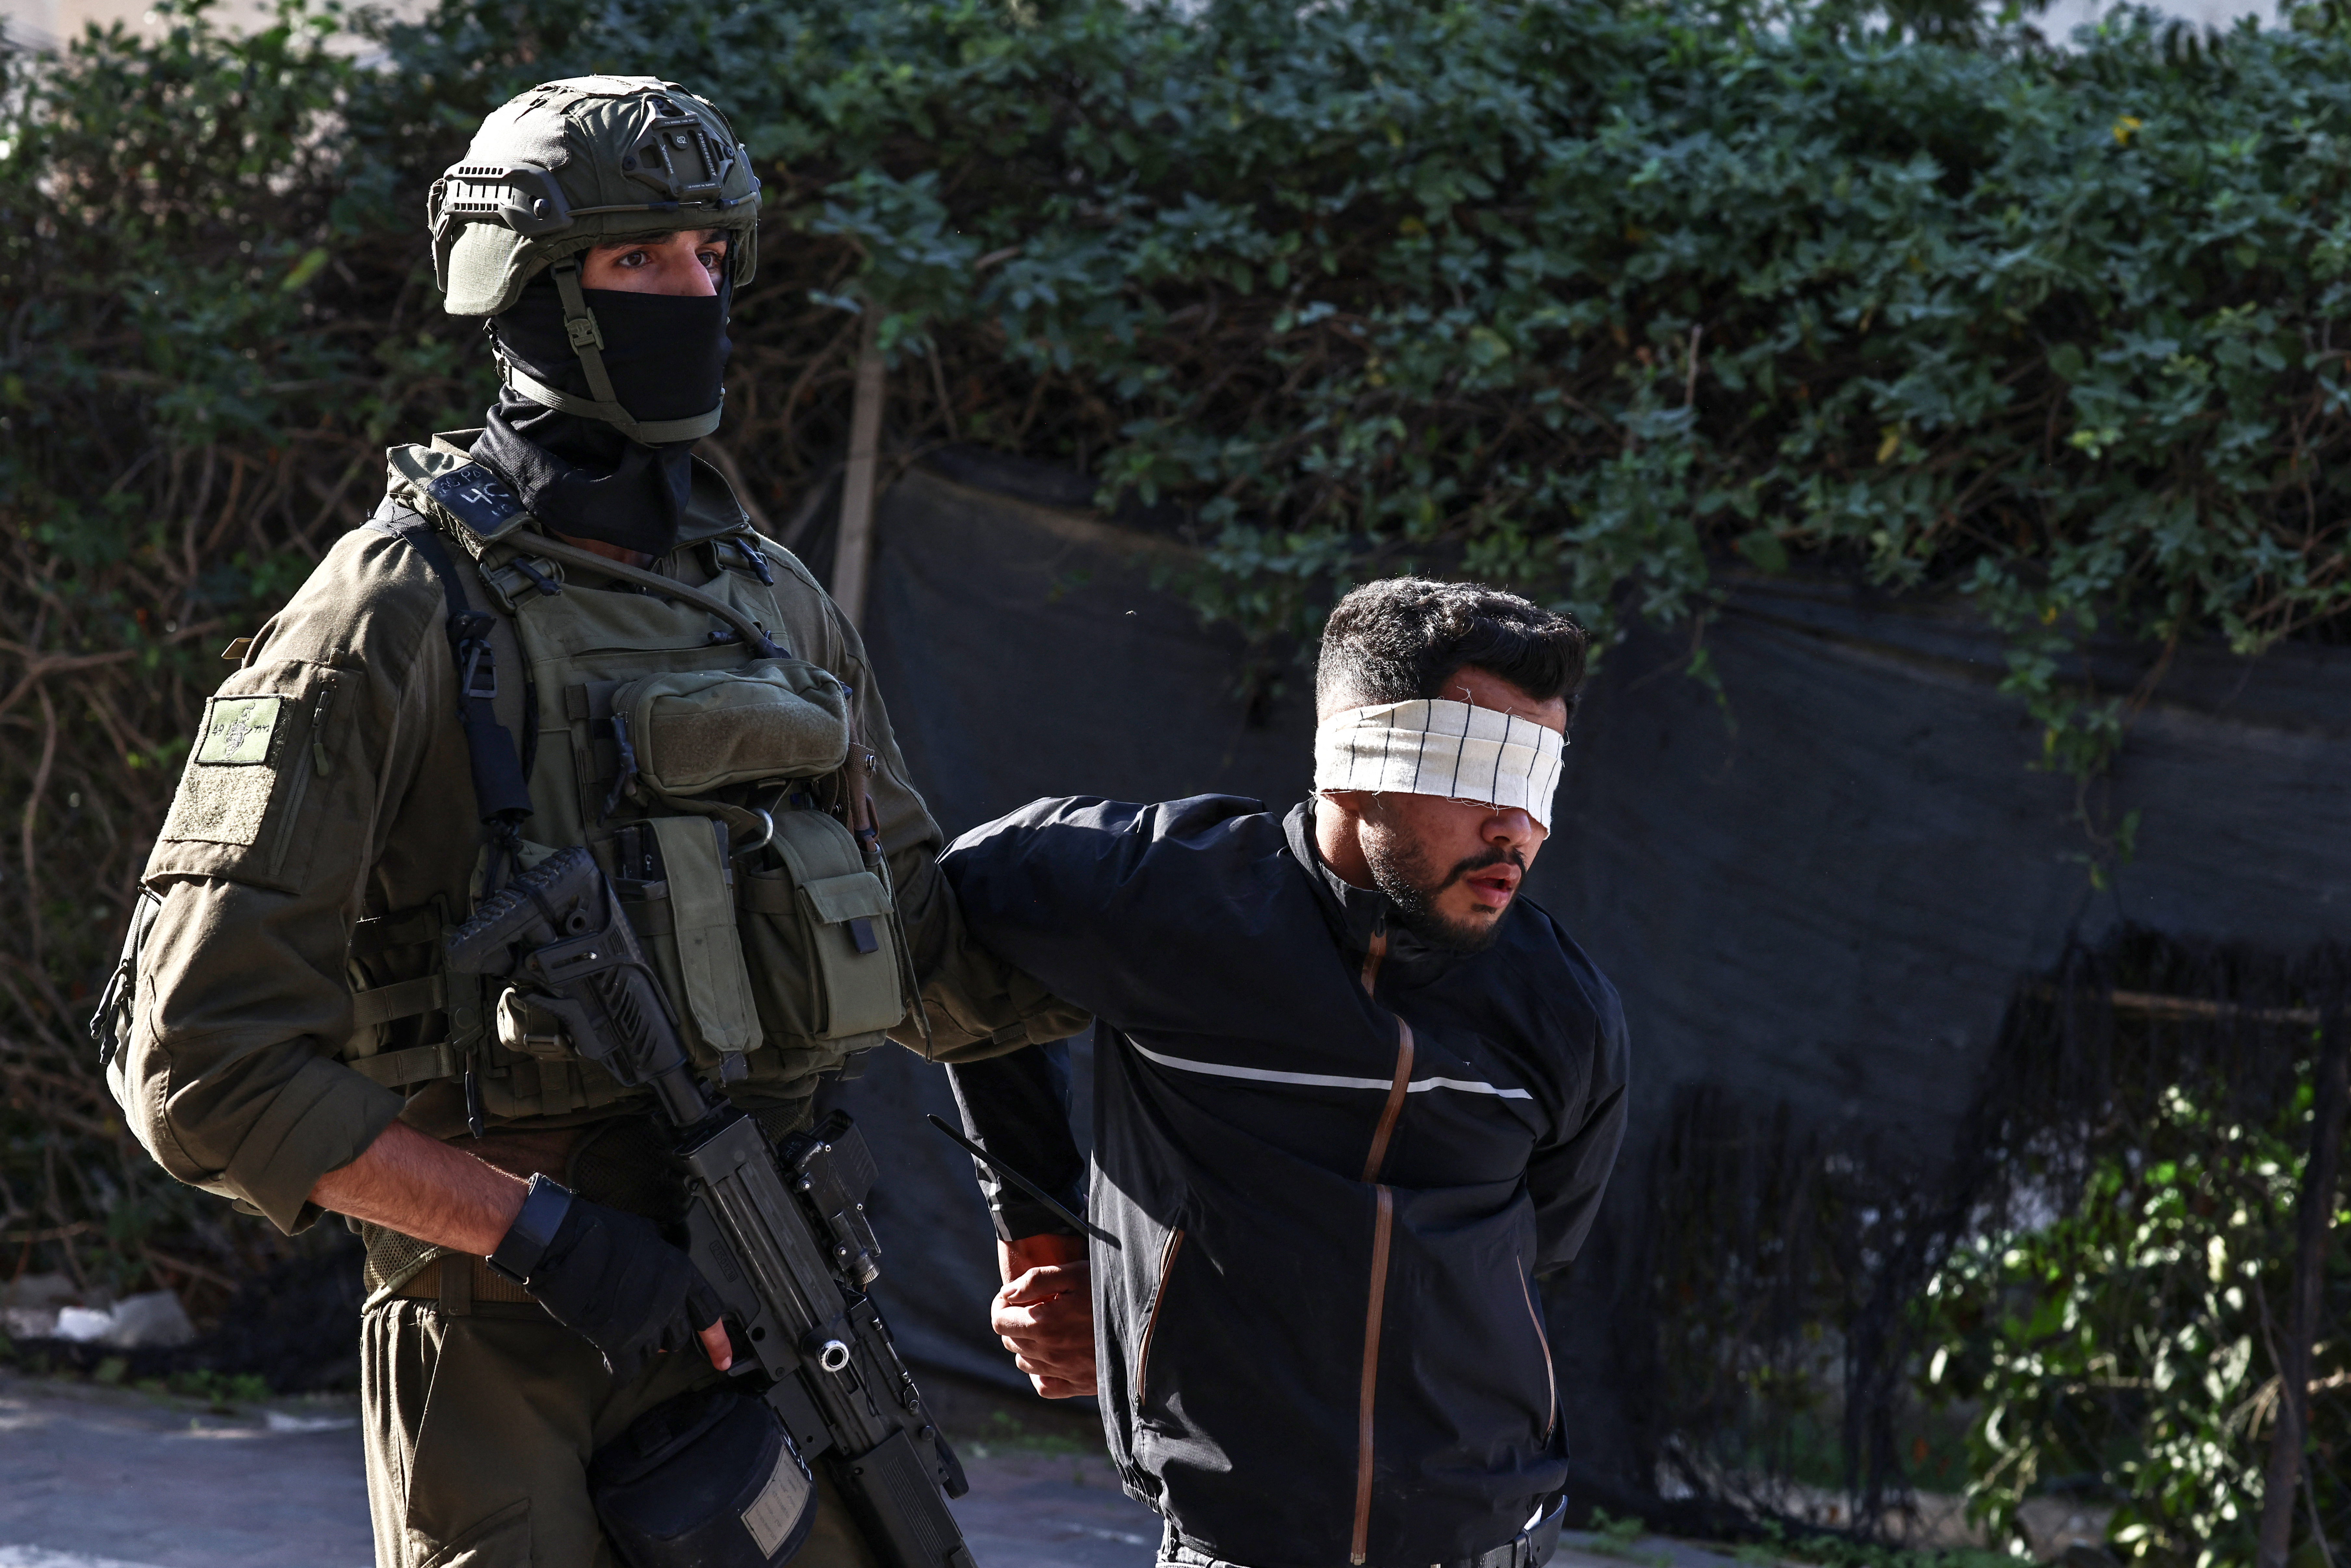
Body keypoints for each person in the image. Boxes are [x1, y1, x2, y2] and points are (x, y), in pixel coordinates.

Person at [99, 75, 1072, 1568]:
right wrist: (545, 1237)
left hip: (780, 1320)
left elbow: (933, 946)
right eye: (643, 259)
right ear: (530, 284)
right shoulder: (392, 612)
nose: (696, 292)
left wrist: (1051, 1204)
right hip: (513, 1355)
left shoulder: (772, 602)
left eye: (711, 254)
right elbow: (202, 1065)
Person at [929, 578, 1631, 1568]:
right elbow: (952, 928)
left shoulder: (1562, 1010)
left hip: (1489, 1543)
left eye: (1540, 777)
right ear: (1360, 760)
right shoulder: (1168, 904)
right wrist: (1041, 1228)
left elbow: (1534, 1250)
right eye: (1481, 772)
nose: (1518, 825)